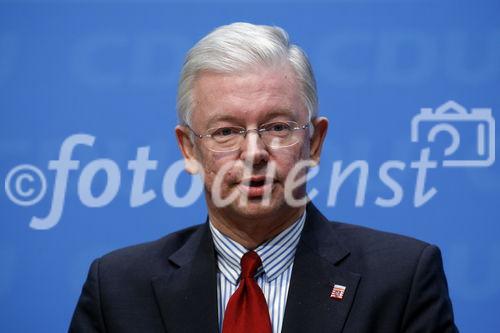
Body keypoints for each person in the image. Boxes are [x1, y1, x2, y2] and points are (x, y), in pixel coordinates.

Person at [69, 22, 458, 333]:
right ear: (189, 149)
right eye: (225, 132)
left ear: (315, 142)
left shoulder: (401, 278)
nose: (254, 153)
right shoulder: (119, 287)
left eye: (277, 127)